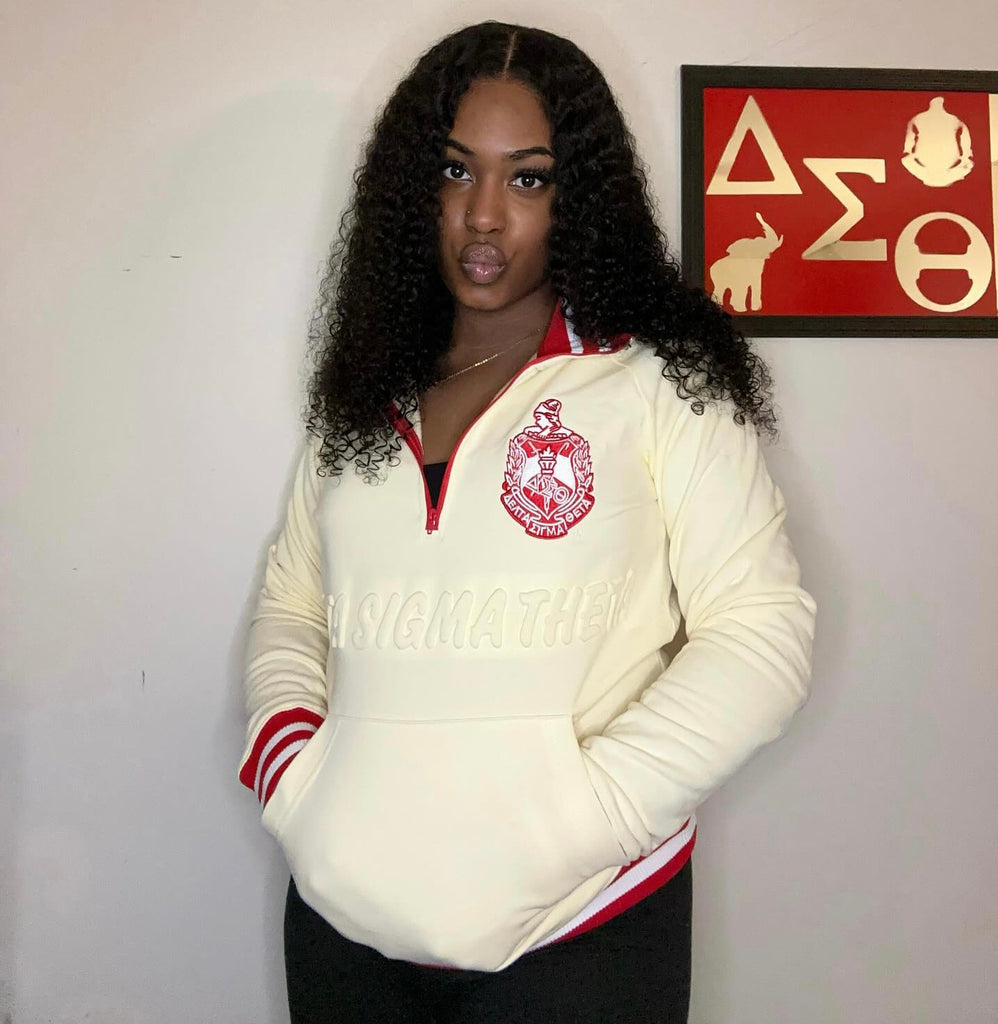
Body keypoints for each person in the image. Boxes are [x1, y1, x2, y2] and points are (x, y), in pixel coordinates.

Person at [237, 20, 817, 1024]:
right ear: (413, 186)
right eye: (455, 170)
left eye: (529, 178)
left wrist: (591, 815)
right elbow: (292, 600)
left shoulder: (656, 381)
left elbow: (762, 632)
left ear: (576, 196)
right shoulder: (363, 395)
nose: (483, 215)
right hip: (342, 931)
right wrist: (292, 777)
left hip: (581, 928)